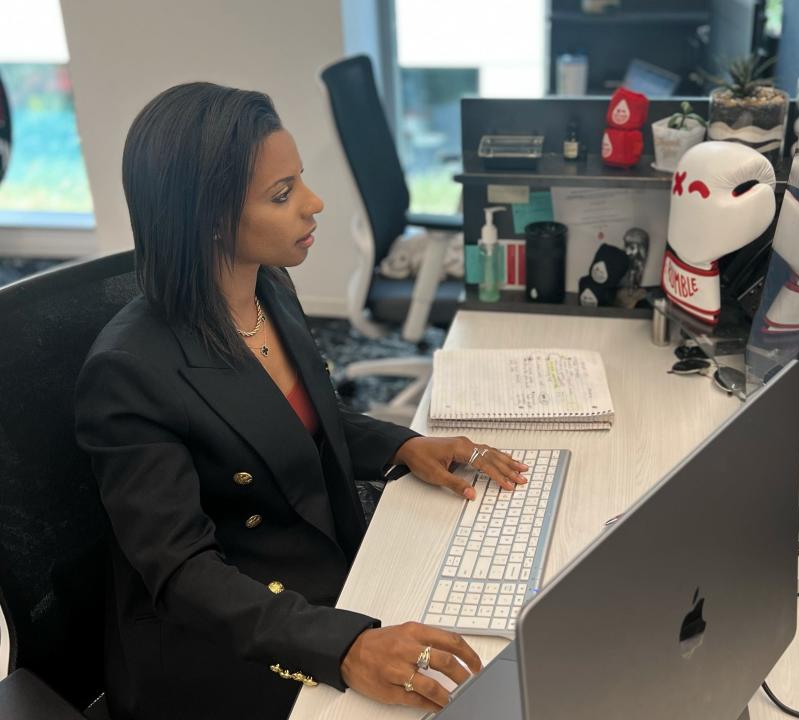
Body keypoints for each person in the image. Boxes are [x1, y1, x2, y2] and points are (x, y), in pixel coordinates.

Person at [74, 82, 528, 720]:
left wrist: (404, 444)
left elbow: (300, 418)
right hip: (223, 638)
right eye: (282, 195)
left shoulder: (270, 286)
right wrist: (343, 647)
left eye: (299, 183)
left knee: (489, 643)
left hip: (319, 572)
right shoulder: (128, 373)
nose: (313, 205)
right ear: (203, 216)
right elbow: (182, 574)